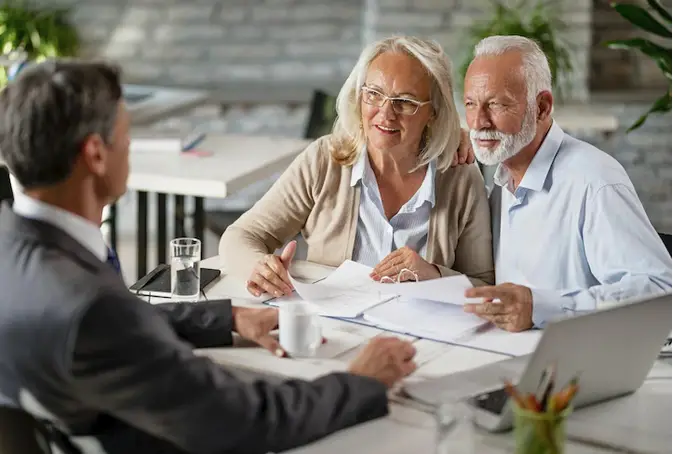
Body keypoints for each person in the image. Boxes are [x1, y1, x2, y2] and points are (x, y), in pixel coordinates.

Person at [0, 59, 419, 454]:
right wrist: (360, 381)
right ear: (95, 154)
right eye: (126, 137)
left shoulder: (16, 248)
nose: (130, 148)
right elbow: (245, 418)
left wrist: (225, 318)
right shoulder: (91, 306)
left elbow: (110, 333)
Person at [220, 36, 494, 299]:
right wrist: (259, 267)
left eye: (405, 102)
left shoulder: (460, 176)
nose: (386, 113)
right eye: (374, 94)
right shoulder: (325, 161)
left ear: (433, 111)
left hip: (422, 340)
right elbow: (241, 236)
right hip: (333, 331)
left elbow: (484, 284)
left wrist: (433, 274)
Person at [460, 35, 672, 332]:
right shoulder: (502, 180)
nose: (479, 121)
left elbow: (661, 292)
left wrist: (543, 308)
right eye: (471, 104)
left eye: (496, 104)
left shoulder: (595, 180)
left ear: (543, 107)